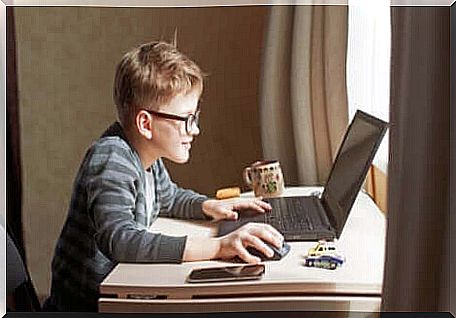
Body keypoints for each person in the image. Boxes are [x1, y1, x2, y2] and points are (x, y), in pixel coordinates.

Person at [43, 41, 284, 312]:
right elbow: (120, 240)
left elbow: (168, 197)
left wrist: (209, 206)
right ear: (146, 123)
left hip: (118, 295)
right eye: (187, 119)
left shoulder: (146, 156)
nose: (196, 130)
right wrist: (216, 247)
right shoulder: (113, 158)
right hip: (88, 305)